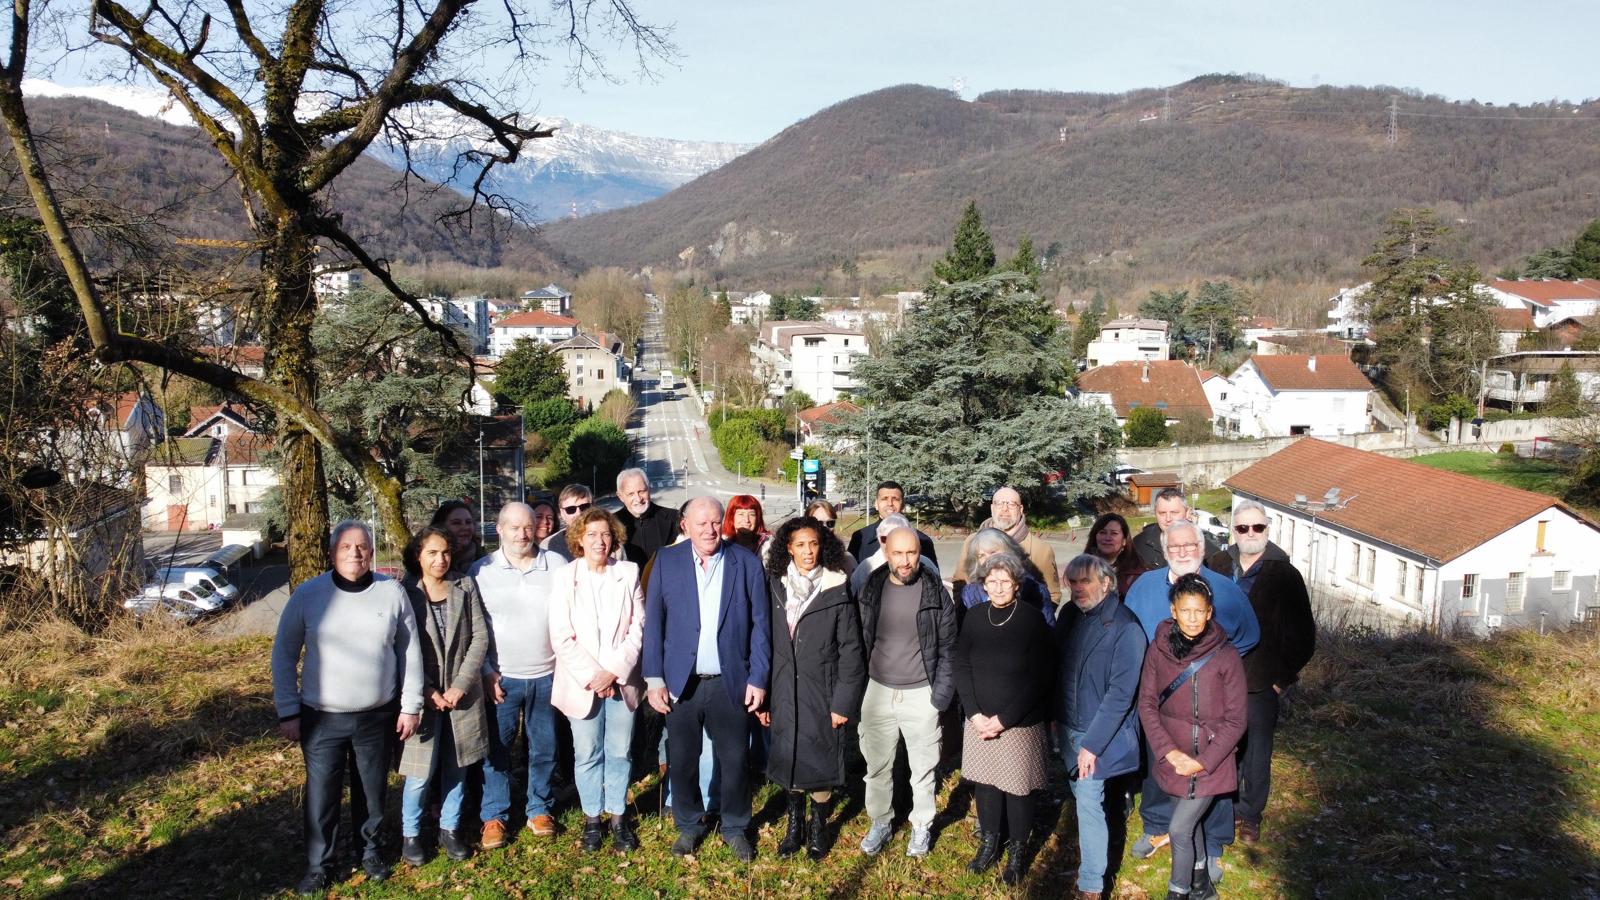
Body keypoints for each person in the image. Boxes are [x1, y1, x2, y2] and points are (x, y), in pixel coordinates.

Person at [271, 520, 422, 894]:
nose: (355, 553)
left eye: (362, 546)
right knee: (322, 795)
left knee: (372, 792)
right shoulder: (309, 595)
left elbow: (410, 652)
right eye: (346, 547)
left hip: (376, 715)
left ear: (372, 551)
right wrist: (287, 710)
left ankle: (369, 852)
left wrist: (411, 705)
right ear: (332, 553)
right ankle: (319, 864)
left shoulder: (392, 592)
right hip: (321, 718)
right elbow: (284, 654)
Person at [1123, 519, 1258, 881]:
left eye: (1190, 546)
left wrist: (1214, 670)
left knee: (1211, 779)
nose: (1182, 552)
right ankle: (1157, 827)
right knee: (1161, 772)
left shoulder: (1225, 591)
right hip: (1165, 709)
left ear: (1201, 550)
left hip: (1212, 713)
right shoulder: (1143, 588)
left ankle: (1211, 847)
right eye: (1175, 547)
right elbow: (1133, 635)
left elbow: (1249, 635)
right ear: (1165, 552)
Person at [643, 496, 771, 862]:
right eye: (701, 523)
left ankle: (734, 826)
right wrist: (654, 678)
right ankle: (689, 824)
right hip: (681, 683)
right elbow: (654, 623)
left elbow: (761, 627)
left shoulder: (745, 563)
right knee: (682, 759)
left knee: (734, 759)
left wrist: (758, 677)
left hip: (731, 680)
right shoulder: (666, 561)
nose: (709, 530)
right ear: (685, 525)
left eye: (715, 522)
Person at [1204, 500, 1316, 845]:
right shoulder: (1217, 565)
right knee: (1222, 744)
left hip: (1260, 680)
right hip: (1217, 677)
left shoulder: (1285, 574)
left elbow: (1303, 634)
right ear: (1233, 532)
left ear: (1267, 530)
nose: (1251, 533)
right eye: (1242, 528)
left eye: (1258, 527)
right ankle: (1223, 804)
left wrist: (1282, 679)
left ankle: (1250, 813)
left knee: (1257, 750)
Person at [757, 516, 866, 860]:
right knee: (790, 758)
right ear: (788, 548)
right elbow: (764, 642)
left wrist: (843, 702)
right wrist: (765, 695)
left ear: (823, 546)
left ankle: (818, 826)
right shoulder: (775, 584)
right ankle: (795, 826)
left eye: (814, 544)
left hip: (824, 689)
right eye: (800, 545)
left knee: (819, 760)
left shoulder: (837, 586)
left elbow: (852, 650)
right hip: (783, 687)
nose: (808, 551)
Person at [1137, 574, 1247, 900]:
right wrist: (1168, 753)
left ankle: (1178, 892)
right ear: (1173, 610)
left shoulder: (1226, 657)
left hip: (1212, 763)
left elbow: (1237, 718)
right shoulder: (1158, 651)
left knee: (1180, 829)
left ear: (1210, 612)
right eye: (1186, 610)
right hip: (1172, 758)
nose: (1193, 618)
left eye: (1200, 611)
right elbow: (1147, 704)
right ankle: (1202, 886)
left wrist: (1203, 762)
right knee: (1192, 825)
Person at [952, 552, 1055, 885]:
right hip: (979, 720)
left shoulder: (1031, 619)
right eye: (991, 581)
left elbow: (1040, 677)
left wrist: (1004, 719)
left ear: (1017, 584)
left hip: (1017, 722)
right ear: (983, 585)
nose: (997, 587)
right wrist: (974, 713)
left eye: (1004, 581)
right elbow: (962, 664)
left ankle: (1017, 852)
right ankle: (989, 843)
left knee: (1017, 790)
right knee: (986, 784)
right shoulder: (974, 616)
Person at [857, 527, 958, 859]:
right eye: (898, 553)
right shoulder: (872, 588)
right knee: (877, 767)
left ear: (920, 553)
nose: (905, 560)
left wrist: (938, 698)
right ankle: (881, 822)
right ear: (886, 552)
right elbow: (859, 640)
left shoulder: (935, 593)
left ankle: (921, 827)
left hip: (921, 694)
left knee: (923, 769)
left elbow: (949, 649)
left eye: (911, 553)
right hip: (878, 691)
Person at [549, 508, 646, 853]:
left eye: (605, 534)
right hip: (582, 683)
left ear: (614, 537)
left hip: (621, 680)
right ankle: (592, 818)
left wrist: (614, 671)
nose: (599, 541)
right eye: (591, 534)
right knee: (587, 752)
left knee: (619, 752)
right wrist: (595, 676)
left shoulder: (628, 572)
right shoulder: (565, 577)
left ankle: (618, 816)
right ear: (578, 538)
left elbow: (638, 627)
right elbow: (561, 635)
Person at [470, 502, 562, 849]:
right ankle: (495, 815)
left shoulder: (556, 565)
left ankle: (539, 807)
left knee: (544, 747)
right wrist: (486, 672)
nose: (523, 534)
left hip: (548, 674)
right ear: (499, 529)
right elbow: (474, 629)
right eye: (514, 528)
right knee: (498, 750)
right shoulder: (482, 571)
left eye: (528, 527)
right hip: (501, 678)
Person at [1056, 554, 1148, 900]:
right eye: (1073, 581)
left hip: (1097, 735)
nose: (1078, 588)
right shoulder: (1069, 616)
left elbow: (1121, 694)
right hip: (1067, 725)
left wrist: (1092, 744)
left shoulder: (1126, 628)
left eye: (1086, 581)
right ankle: (1090, 865)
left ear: (1106, 583)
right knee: (1082, 797)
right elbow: (1059, 669)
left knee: (1089, 802)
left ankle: (1091, 885)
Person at [397, 526, 489, 868]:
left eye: (446, 552)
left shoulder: (465, 585)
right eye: (432, 553)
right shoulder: (405, 592)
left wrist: (460, 685)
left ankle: (449, 828)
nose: (441, 559)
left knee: (458, 766)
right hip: (423, 697)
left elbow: (479, 636)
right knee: (420, 772)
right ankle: (411, 834)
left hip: (461, 696)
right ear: (418, 555)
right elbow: (400, 647)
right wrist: (427, 690)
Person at [951, 487, 1061, 605]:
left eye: (1012, 504)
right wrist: (965, 615)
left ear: (1020, 509)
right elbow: (959, 582)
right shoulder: (971, 541)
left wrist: (1031, 620)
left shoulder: (1041, 550)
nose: (1005, 509)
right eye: (999, 504)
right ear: (992, 508)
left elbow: (1052, 596)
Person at [954, 527, 1055, 626]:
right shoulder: (970, 593)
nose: (988, 559)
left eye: (993, 552)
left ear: (1009, 551)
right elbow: (963, 633)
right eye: (981, 555)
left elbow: (1047, 634)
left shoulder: (1035, 589)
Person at [846, 480, 938, 566]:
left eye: (895, 499)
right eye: (884, 499)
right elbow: (851, 577)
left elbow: (932, 578)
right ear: (876, 504)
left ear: (903, 505)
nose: (890, 503)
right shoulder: (860, 538)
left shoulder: (922, 541)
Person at [849, 514, 939, 597]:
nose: (891, 543)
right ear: (878, 539)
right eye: (885, 538)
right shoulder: (866, 569)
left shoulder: (926, 565)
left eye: (898, 538)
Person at [1132, 489, 1219, 571]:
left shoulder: (1208, 550)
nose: (1168, 518)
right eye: (1162, 513)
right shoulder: (1139, 544)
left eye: (1174, 513)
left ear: (1188, 513)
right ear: (1155, 513)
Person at [616, 468, 681, 565]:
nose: (638, 499)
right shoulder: (612, 524)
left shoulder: (674, 518)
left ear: (649, 489)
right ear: (620, 496)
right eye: (631, 494)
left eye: (642, 491)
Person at [1084, 512, 1148, 598]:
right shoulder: (1083, 568)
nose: (1107, 538)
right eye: (1102, 532)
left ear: (1124, 540)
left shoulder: (1137, 575)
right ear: (1095, 537)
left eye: (1114, 533)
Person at [542, 484, 594, 562]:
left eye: (584, 507)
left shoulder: (610, 540)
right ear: (562, 513)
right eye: (570, 509)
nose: (578, 513)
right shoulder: (548, 545)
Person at [431, 499, 485, 573]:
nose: (465, 527)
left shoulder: (486, 564)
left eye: (468, 522)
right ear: (441, 527)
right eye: (456, 523)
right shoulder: (429, 565)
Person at [805, 498, 857, 573]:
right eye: (819, 523)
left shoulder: (846, 559)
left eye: (830, 523)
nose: (825, 527)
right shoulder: (797, 555)